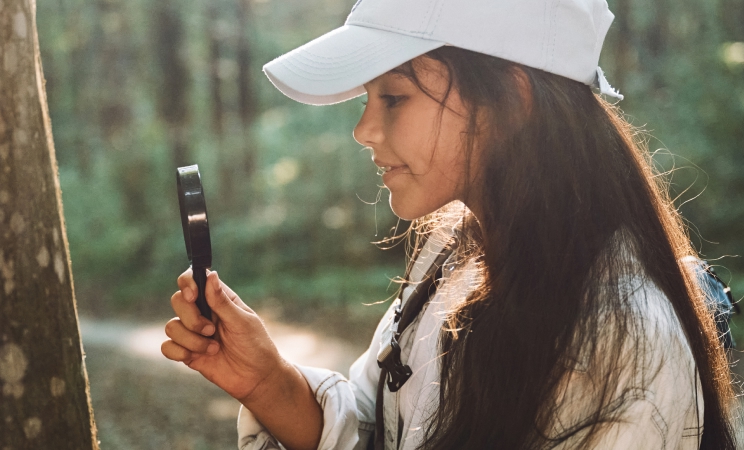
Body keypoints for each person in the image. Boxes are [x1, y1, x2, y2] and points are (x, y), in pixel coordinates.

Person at [160, 0, 738, 448]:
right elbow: (381, 428)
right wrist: (270, 384)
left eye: (394, 97)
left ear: (511, 101)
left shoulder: (620, 340)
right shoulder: (454, 256)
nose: (364, 130)